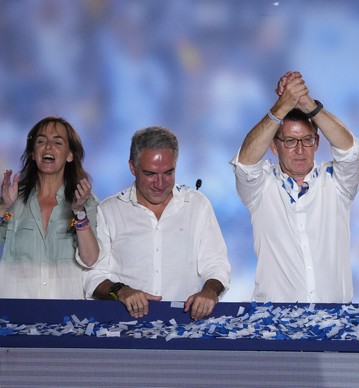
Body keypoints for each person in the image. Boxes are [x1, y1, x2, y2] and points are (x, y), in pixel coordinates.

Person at [231, 71, 359, 303]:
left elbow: (349, 149)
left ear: (317, 142)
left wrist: (306, 103)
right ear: (274, 147)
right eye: (290, 141)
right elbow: (245, 162)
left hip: (336, 323)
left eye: (307, 140)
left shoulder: (336, 182)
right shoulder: (261, 187)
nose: (300, 150)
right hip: (274, 325)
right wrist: (280, 107)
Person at [83, 126, 231, 320]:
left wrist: (210, 292)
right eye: (150, 174)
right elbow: (93, 277)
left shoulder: (197, 205)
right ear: (132, 168)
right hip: (124, 331)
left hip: (185, 329)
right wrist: (120, 291)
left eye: (168, 173)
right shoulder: (109, 210)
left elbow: (217, 265)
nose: (160, 184)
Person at [0, 116, 99, 299]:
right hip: (14, 317)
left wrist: (78, 212)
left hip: (67, 318)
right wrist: (3, 207)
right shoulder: (12, 198)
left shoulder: (86, 202)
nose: (48, 147)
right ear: (32, 153)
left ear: (70, 155)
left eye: (57, 142)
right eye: (41, 141)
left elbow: (90, 259)